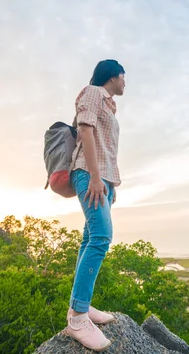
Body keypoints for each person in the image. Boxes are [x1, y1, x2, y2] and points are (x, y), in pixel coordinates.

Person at [64, 59, 125, 351]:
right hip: (90, 176)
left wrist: (110, 184)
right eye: (124, 77)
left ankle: (82, 307)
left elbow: (105, 147)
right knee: (101, 237)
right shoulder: (92, 92)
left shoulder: (110, 104)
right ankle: (77, 319)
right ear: (113, 75)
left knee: (90, 237)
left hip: (103, 181)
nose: (126, 83)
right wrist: (96, 178)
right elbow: (85, 132)